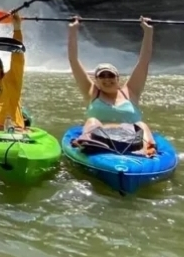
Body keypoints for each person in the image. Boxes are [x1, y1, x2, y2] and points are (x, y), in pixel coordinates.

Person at [67, 16, 157, 157]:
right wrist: (73, 30)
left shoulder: (131, 91)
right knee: (92, 120)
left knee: (141, 124)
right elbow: (73, 60)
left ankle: (146, 149)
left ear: (117, 78)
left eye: (110, 76)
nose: (107, 79)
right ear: (96, 80)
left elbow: (144, 61)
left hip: (132, 140)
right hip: (99, 140)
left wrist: (148, 32)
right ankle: (87, 142)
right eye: (102, 76)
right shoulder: (92, 92)